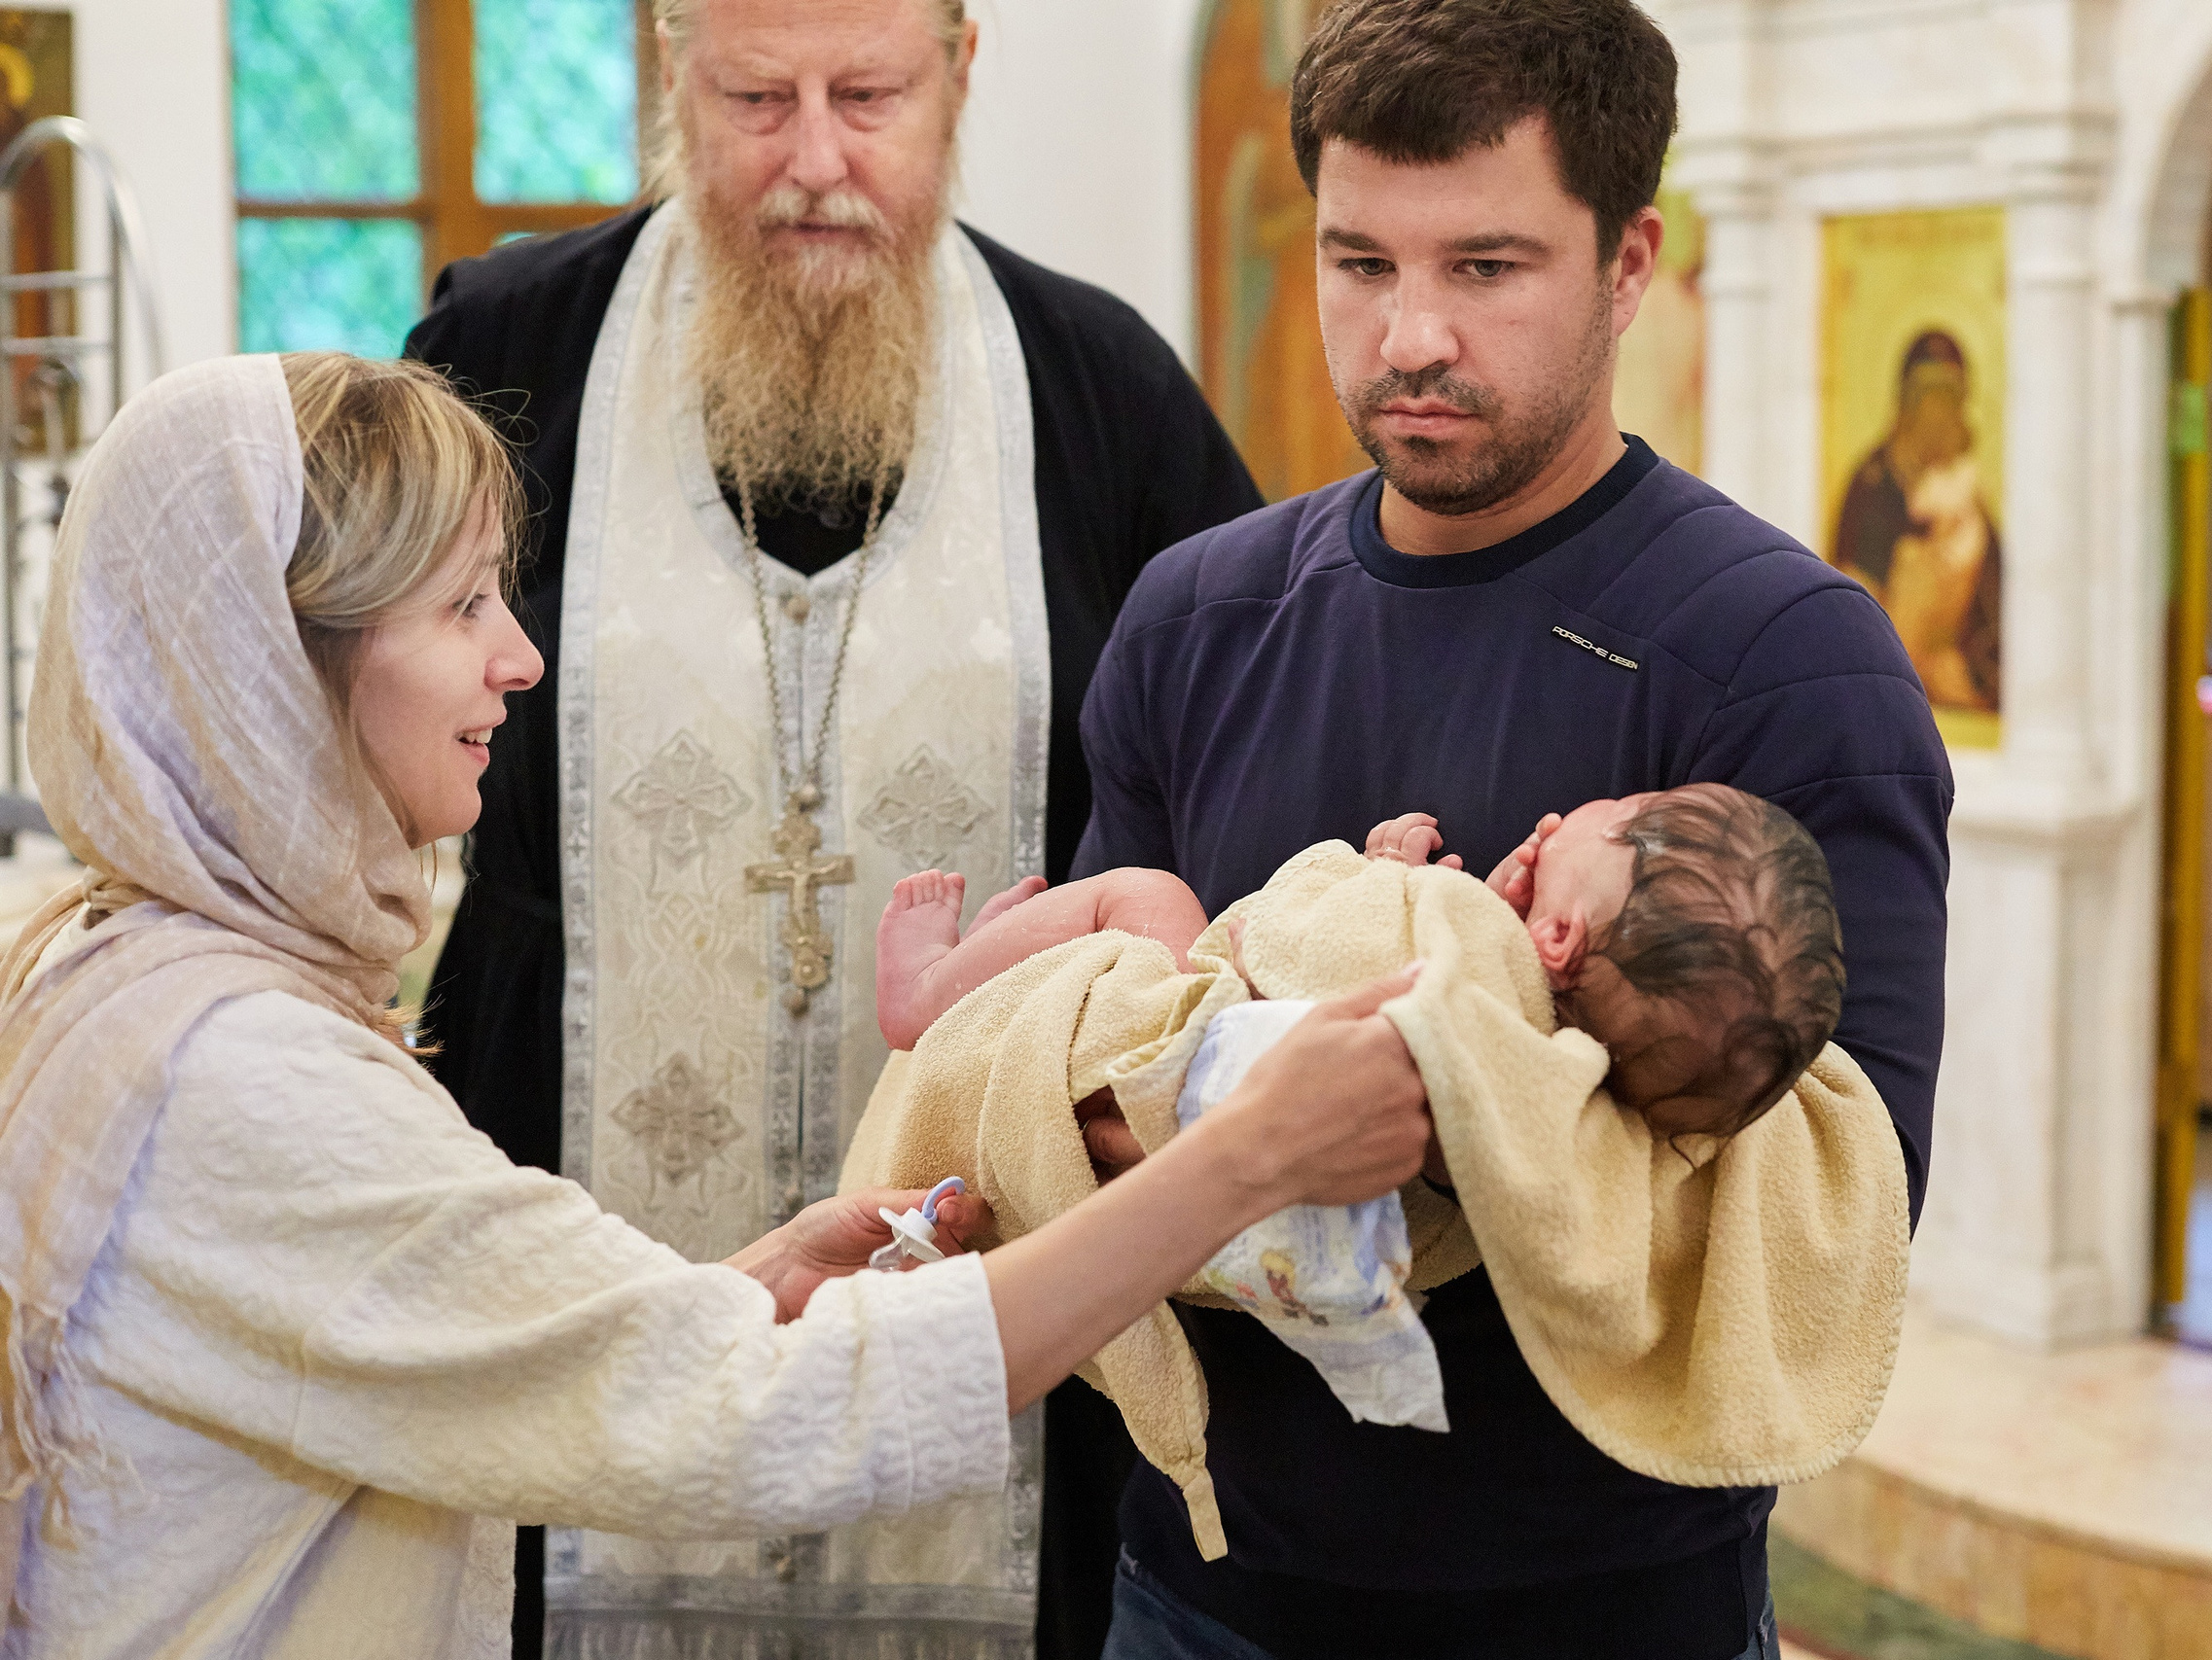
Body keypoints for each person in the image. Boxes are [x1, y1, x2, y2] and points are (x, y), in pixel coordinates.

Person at [0, 352, 1428, 1659]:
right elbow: (745, 1418)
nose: (521, 657)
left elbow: (426, 1339)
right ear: (276, 672)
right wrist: (1244, 1158)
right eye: (460, 604)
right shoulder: (243, 1076)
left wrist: (752, 1283)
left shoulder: (130, 977)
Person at [1069, 2, 1955, 1655]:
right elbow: (1076, 1087)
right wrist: (1318, 1121)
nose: (1409, 336)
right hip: (1196, 1587)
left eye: (1486, 268)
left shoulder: (1786, 660)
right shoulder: (1199, 614)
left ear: (1630, 266)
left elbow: (1838, 1208)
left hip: (1599, 1608)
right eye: (1360, 263)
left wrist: (1280, 1121)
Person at [401, 0, 1262, 1650]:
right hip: (560, 1206)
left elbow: (1224, 799)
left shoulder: (1100, 391)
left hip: (1003, 1255)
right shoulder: (507, 356)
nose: (813, 160)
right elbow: (345, 712)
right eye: (752, 96)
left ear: (960, 72)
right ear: (669, 71)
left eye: (867, 95)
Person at [875, 788, 1845, 1148]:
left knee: (1143, 898)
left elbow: (1305, 944)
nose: (1613, 802)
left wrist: (1376, 874)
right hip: (1233, 1125)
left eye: (1631, 822)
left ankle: (928, 989)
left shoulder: (1458, 945)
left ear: (1558, 943)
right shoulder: (1549, 1056)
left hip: (1186, 1052)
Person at [1829, 330, 2003, 713]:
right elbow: (1853, 614)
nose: (1938, 413)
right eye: (1928, 396)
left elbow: (1996, 608)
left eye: (1950, 398)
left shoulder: (1969, 496)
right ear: (1906, 404)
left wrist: (1970, 669)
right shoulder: (1873, 488)